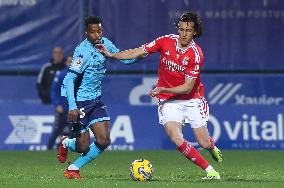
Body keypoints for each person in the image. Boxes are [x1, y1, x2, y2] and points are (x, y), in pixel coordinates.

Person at [97, 12, 223, 180]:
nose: (184, 33)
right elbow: (139, 51)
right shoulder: (165, 41)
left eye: (188, 30)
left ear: (195, 32)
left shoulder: (196, 54)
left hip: (192, 99)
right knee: (175, 137)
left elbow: (187, 88)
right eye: (181, 29)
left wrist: (163, 89)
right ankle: (210, 171)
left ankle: (211, 146)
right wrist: (113, 55)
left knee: (203, 143)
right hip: (169, 101)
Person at [57, 15, 135, 179]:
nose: (97, 35)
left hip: (96, 100)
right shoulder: (82, 52)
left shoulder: (105, 43)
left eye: (99, 31)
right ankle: (66, 142)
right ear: (86, 33)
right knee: (82, 146)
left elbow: (123, 58)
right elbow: (69, 79)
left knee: (104, 140)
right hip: (80, 101)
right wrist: (72, 106)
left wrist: (143, 53)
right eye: (93, 32)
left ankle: (73, 168)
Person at [47, 55, 72, 150]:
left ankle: (67, 150)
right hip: (62, 108)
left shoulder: (79, 75)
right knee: (57, 130)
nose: (70, 63)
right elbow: (54, 90)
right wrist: (57, 104)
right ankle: (48, 149)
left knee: (73, 132)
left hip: (73, 109)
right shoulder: (61, 74)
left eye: (72, 61)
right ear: (66, 63)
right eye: (69, 61)